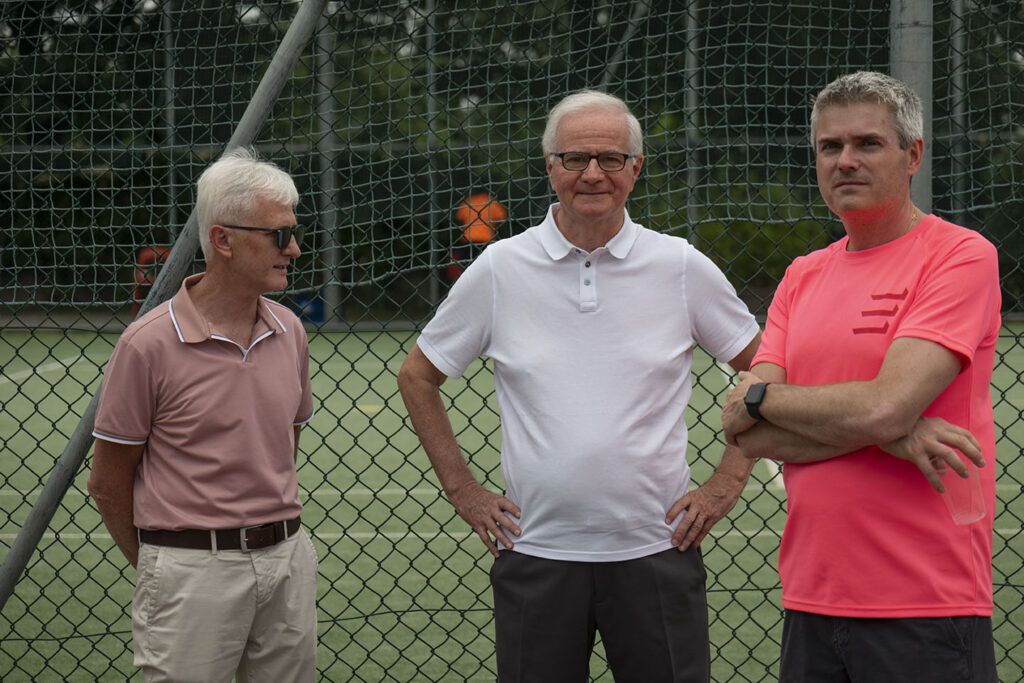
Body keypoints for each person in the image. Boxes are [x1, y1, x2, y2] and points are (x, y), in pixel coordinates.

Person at [398, 90, 761, 682]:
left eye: (611, 158)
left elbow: (765, 369)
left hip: (657, 552)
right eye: (575, 158)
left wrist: (726, 483)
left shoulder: (680, 266)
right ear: (550, 167)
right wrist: (463, 491)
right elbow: (418, 375)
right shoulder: (500, 268)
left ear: (635, 168)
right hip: (536, 553)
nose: (593, 174)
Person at [721, 71, 999, 682]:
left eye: (867, 143)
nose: (845, 160)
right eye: (830, 146)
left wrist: (765, 396)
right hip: (811, 598)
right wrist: (887, 433)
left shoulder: (959, 255)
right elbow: (746, 432)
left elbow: (883, 407)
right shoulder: (802, 275)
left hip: (928, 602)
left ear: (912, 155)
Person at [87, 147, 317, 683]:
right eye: (279, 235)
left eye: (294, 232)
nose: (295, 248)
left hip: (287, 561)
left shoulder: (290, 332)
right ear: (223, 240)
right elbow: (108, 481)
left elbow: (284, 448)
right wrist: (166, 566)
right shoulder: (148, 344)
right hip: (190, 571)